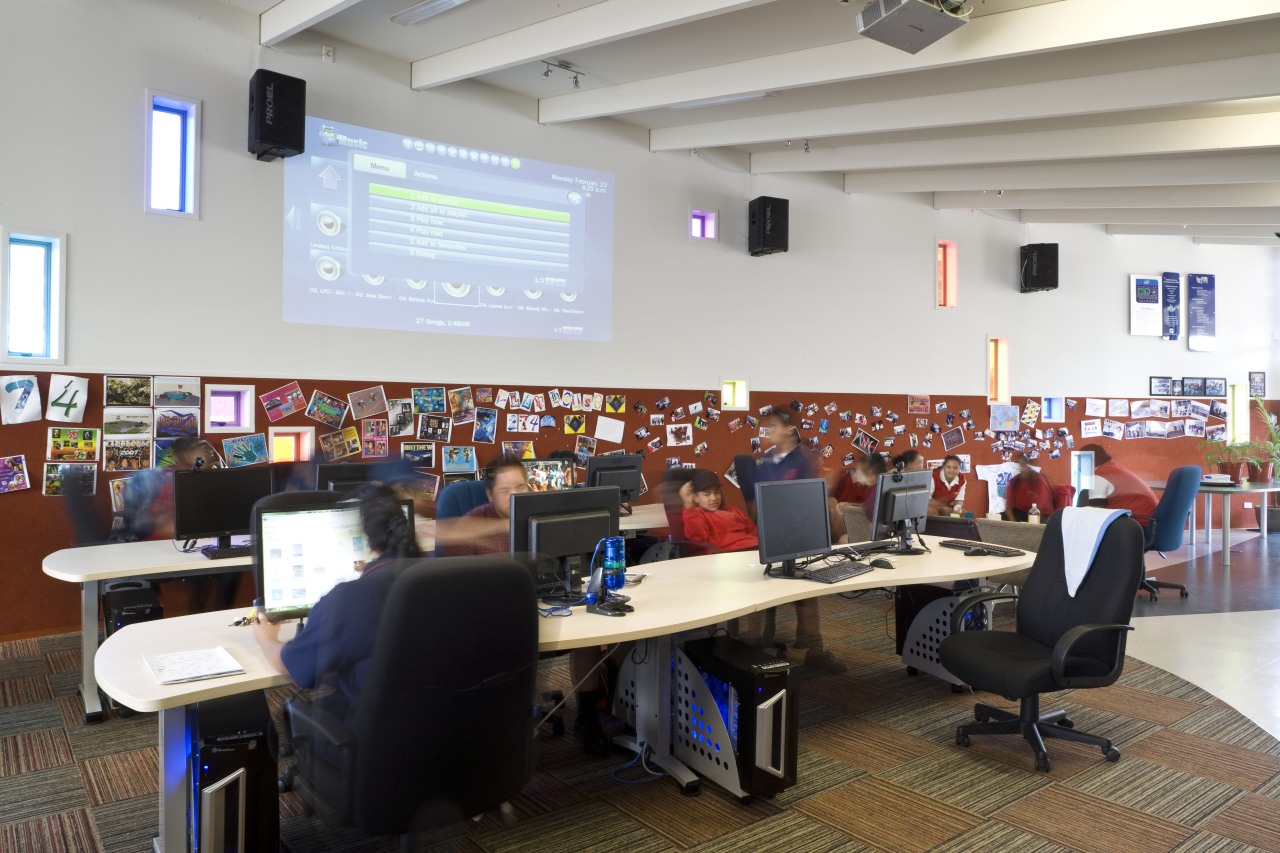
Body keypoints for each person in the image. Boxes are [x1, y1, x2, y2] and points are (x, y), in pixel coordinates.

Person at [437, 456, 614, 754]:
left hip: (552, 603)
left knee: (591, 635)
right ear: (491, 495)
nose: (515, 494)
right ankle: (504, 728)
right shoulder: (475, 525)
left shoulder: (548, 517)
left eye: (520, 486)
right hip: (497, 615)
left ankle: (587, 718)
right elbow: (447, 579)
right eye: (505, 490)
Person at [252, 483, 420, 718]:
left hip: (373, 742)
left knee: (288, 706)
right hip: (446, 735)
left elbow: (295, 668)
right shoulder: (438, 582)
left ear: (365, 540)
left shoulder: (351, 598)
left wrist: (266, 640)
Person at [758, 409, 842, 672]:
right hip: (772, 531)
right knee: (768, 589)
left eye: (773, 426)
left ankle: (814, 649)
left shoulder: (803, 458)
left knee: (805, 589)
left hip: (798, 531)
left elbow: (809, 494)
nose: (768, 431)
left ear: (788, 428)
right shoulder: (768, 459)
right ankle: (765, 643)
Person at [121, 436, 239, 611]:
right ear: (182, 455)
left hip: (197, 545)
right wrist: (161, 522)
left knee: (231, 568)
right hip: (160, 547)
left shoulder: (207, 482)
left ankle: (220, 616)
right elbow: (136, 525)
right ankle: (197, 611)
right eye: (200, 453)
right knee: (202, 572)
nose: (207, 457)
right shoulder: (151, 480)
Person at [1079, 443, 1158, 527]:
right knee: (1085, 494)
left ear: (1088, 460)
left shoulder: (1098, 476)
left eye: (1079, 461)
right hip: (1150, 521)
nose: (1078, 465)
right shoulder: (1112, 468)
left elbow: (1096, 513)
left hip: (1138, 524)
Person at [680, 470, 757, 553]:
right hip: (730, 554)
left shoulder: (734, 510)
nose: (714, 498)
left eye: (717, 493)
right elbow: (697, 538)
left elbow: (755, 532)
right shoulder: (697, 514)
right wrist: (689, 506)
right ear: (696, 498)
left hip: (755, 547)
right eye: (706, 494)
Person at [1003, 453, 1056, 522]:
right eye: (1021, 466)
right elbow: (1008, 506)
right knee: (1001, 517)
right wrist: (1014, 524)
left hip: (1041, 514)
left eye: (1025, 465)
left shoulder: (1040, 480)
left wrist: (1027, 524)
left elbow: (1041, 506)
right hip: (1021, 513)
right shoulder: (1015, 481)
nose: (1023, 469)